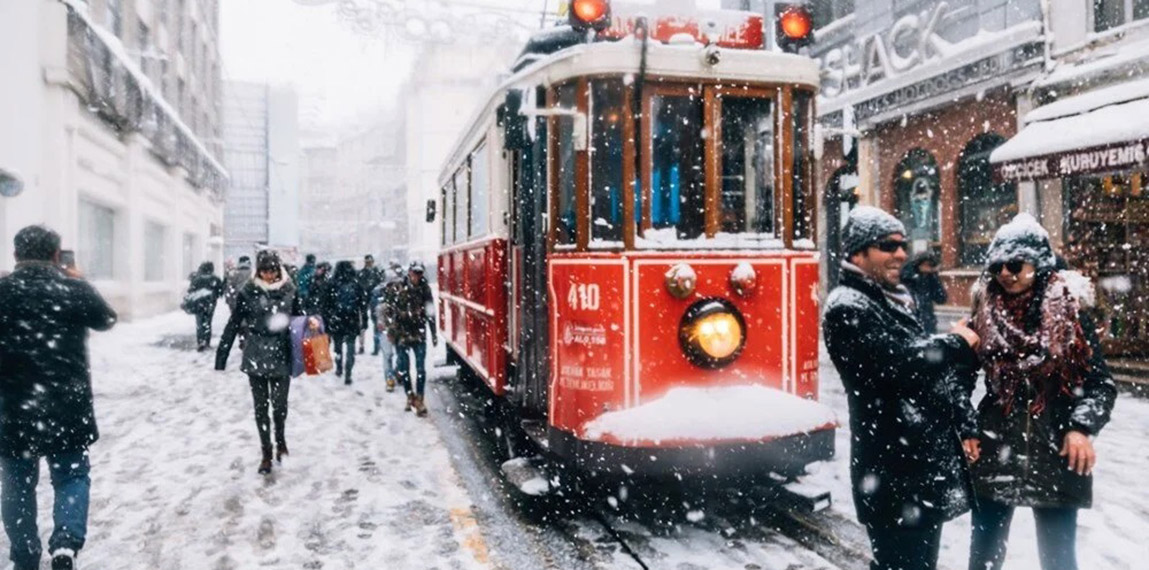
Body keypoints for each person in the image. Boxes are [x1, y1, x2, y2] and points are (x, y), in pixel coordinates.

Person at [822, 206, 981, 570]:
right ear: (857, 253)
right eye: (887, 246)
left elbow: (925, 373)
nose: (900, 254)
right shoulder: (847, 305)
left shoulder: (890, 298)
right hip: (892, 474)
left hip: (916, 472)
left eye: (902, 245)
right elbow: (897, 364)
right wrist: (955, 344)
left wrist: (964, 422)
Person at [965, 214, 1117, 570]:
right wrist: (967, 426)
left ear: (1038, 263)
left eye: (1015, 265)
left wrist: (1081, 427)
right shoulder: (984, 310)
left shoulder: (1071, 315)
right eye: (997, 266)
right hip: (995, 447)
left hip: (1056, 449)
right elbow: (958, 379)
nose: (1005, 273)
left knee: (1059, 560)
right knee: (984, 558)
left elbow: (1100, 384)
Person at [0, 225, 117, 570]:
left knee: (17, 483)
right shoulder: (72, 289)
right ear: (55, 254)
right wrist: (76, 281)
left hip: (13, 406)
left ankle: (25, 555)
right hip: (67, 405)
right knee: (71, 476)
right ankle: (65, 544)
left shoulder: (2, 292)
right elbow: (106, 319)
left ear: (16, 254)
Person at [216, 250, 309, 475]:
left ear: (278, 270)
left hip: (281, 353)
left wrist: (310, 325)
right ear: (259, 271)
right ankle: (266, 453)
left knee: (280, 406)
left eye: (272, 271)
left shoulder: (290, 290)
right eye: (265, 271)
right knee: (261, 408)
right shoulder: (248, 291)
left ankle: (281, 441)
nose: (269, 275)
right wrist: (222, 355)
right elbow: (234, 322)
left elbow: (299, 318)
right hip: (256, 353)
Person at [384, 261, 436, 416]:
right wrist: (391, 330)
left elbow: (430, 312)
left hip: (419, 333)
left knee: (420, 369)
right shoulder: (398, 287)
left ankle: (419, 398)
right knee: (404, 368)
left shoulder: (425, 289)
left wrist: (433, 333)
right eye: (415, 273)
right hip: (402, 333)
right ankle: (409, 396)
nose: (417, 276)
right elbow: (389, 310)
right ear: (409, 272)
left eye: (420, 273)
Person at [322, 261, 367, 385]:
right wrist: (364, 321)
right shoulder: (356, 284)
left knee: (338, 347)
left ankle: (339, 367)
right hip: (352, 320)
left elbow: (325, 305)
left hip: (337, 320)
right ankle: (348, 371)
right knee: (351, 346)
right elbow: (362, 305)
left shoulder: (332, 284)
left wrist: (327, 322)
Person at [372, 263, 405, 392]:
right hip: (385, 327)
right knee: (388, 354)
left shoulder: (402, 291)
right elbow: (375, 310)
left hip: (398, 327)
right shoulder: (379, 292)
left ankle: (396, 373)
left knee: (400, 354)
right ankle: (390, 378)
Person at [900, 252, 948, 333]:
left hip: (927, 321)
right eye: (926, 264)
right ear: (919, 264)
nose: (928, 267)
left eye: (931, 265)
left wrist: (934, 278)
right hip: (911, 320)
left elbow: (941, 298)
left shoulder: (930, 278)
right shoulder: (907, 277)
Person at [185, 261, 224, 351]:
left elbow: (191, 290)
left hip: (198, 303)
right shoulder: (215, 279)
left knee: (199, 322)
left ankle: (200, 341)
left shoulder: (197, 279)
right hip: (210, 303)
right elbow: (220, 291)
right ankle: (206, 341)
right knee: (208, 322)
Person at [358, 255, 385, 355]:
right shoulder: (374, 273)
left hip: (369, 300)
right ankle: (369, 346)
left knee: (373, 323)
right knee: (365, 324)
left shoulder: (366, 273)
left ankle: (375, 346)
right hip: (368, 300)